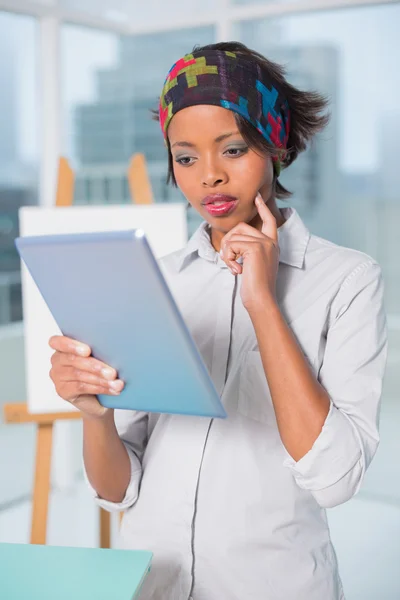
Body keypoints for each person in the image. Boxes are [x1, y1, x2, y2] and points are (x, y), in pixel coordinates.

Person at [48, 42, 388, 600]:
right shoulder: (157, 280)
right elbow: (120, 489)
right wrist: (94, 415)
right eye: (185, 157)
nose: (208, 176)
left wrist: (262, 303)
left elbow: (336, 478)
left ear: (273, 145)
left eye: (232, 149)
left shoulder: (347, 281)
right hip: (156, 584)